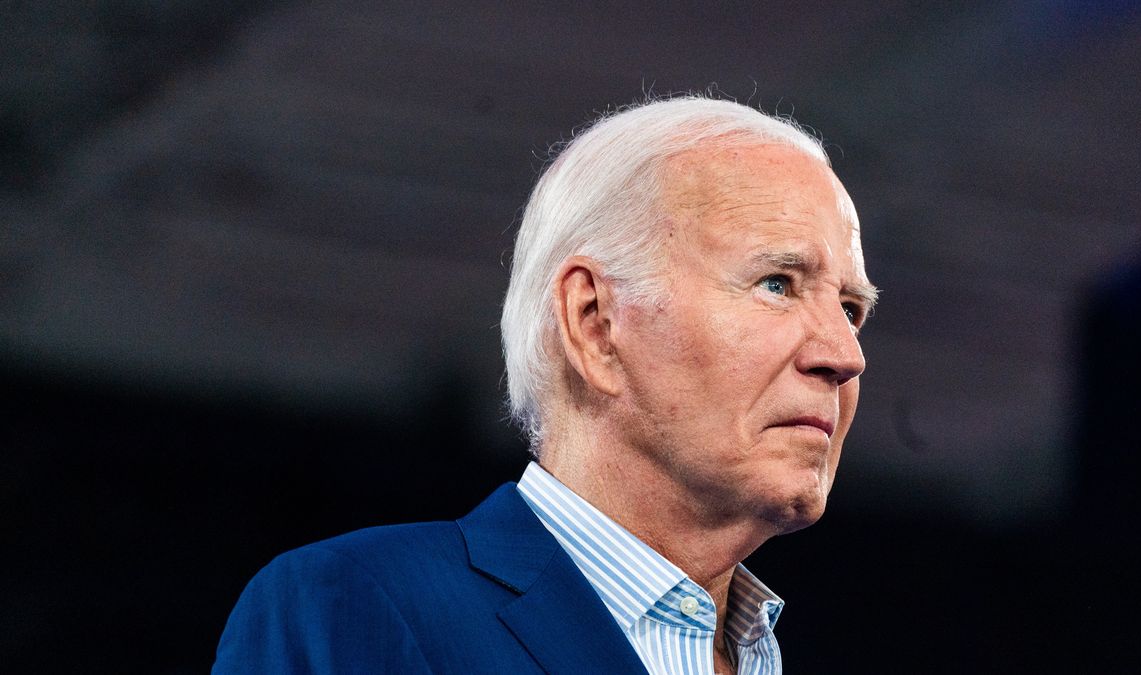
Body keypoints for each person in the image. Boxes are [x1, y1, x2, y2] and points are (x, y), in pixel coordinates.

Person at [213, 96, 877, 674]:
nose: (845, 355)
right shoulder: (361, 606)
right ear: (594, 324)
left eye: (851, 308)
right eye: (777, 284)